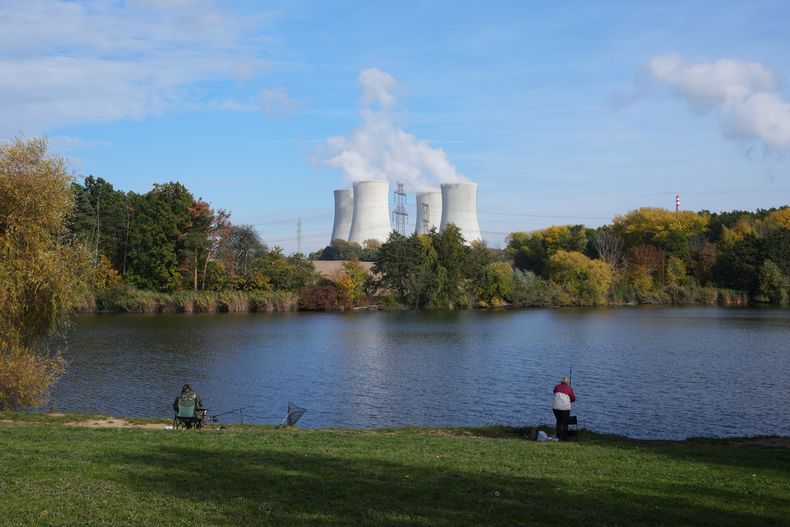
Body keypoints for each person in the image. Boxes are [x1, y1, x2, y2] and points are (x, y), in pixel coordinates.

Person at [552, 376, 576, 441]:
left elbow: (554, 392)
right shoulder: (569, 389)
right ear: (567, 382)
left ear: (561, 382)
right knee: (565, 422)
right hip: (565, 408)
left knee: (558, 421)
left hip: (555, 407)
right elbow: (573, 399)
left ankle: (558, 436)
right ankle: (564, 438)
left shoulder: (556, 387)